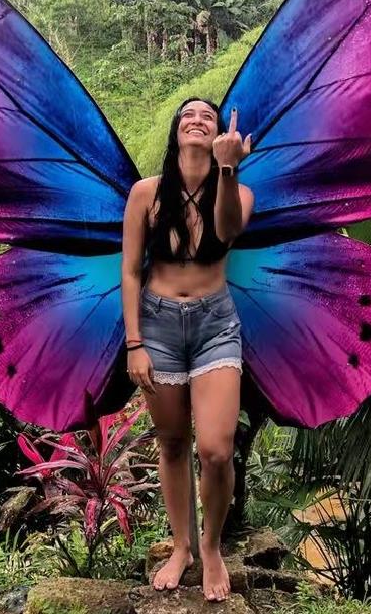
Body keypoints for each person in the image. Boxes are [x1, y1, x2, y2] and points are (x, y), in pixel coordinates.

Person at [121, 98, 254, 602]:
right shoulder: (146, 193)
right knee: (173, 443)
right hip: (156, 326)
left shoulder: (239, 191)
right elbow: (130, 270)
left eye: (207, 116)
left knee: (216, 449)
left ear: (218, 133)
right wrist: (135, 343)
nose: (197, 120)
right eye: (188, 115)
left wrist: (226, 167)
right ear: (176, 130)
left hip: (215, 324)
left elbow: (226, 231)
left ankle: (211, 545)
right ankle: (182, 547)